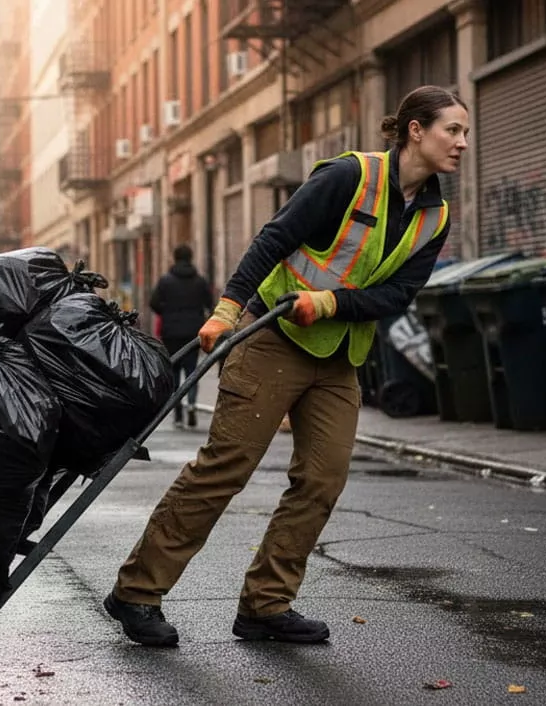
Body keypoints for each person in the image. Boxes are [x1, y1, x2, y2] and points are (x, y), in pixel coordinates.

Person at [104, 85, 469, 647]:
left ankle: (265, 605)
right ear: (416, 130)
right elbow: (273, 239)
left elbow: (398, 294)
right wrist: (225, 310)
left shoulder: (434, 214)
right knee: (223, 469)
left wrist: (329, 304)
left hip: (339, 357)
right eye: (453, 129)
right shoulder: (348, 177)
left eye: (465, 132)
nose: (462, 142)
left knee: (322, 480)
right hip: (271, 340)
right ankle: (137, 592)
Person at [150, 244, 213, 429]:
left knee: (174, 372)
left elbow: (153, 302)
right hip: (194, 331)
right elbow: (210, 304)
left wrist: (167, 312)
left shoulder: (165, 281)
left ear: (175, 258)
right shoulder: (200, 281)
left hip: (171, 332)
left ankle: (177, 414)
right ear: (191, 257)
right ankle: (192, 405)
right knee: (192, 371)